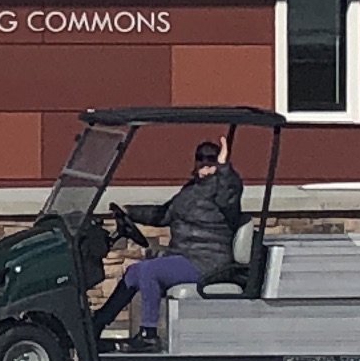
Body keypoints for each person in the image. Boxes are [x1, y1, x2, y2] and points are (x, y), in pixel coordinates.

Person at [92, 136, 247, 342]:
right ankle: (98, 322)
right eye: (200, 157)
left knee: (150, 270)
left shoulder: (223, 189)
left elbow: (231, 192)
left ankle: (148, 333)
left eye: (211, 158)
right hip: (184, 257)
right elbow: (163, 215)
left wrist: (224, 166)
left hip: (208, 261)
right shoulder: (190, 190)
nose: (205, 163)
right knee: (134, 271)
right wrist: (130, 212)